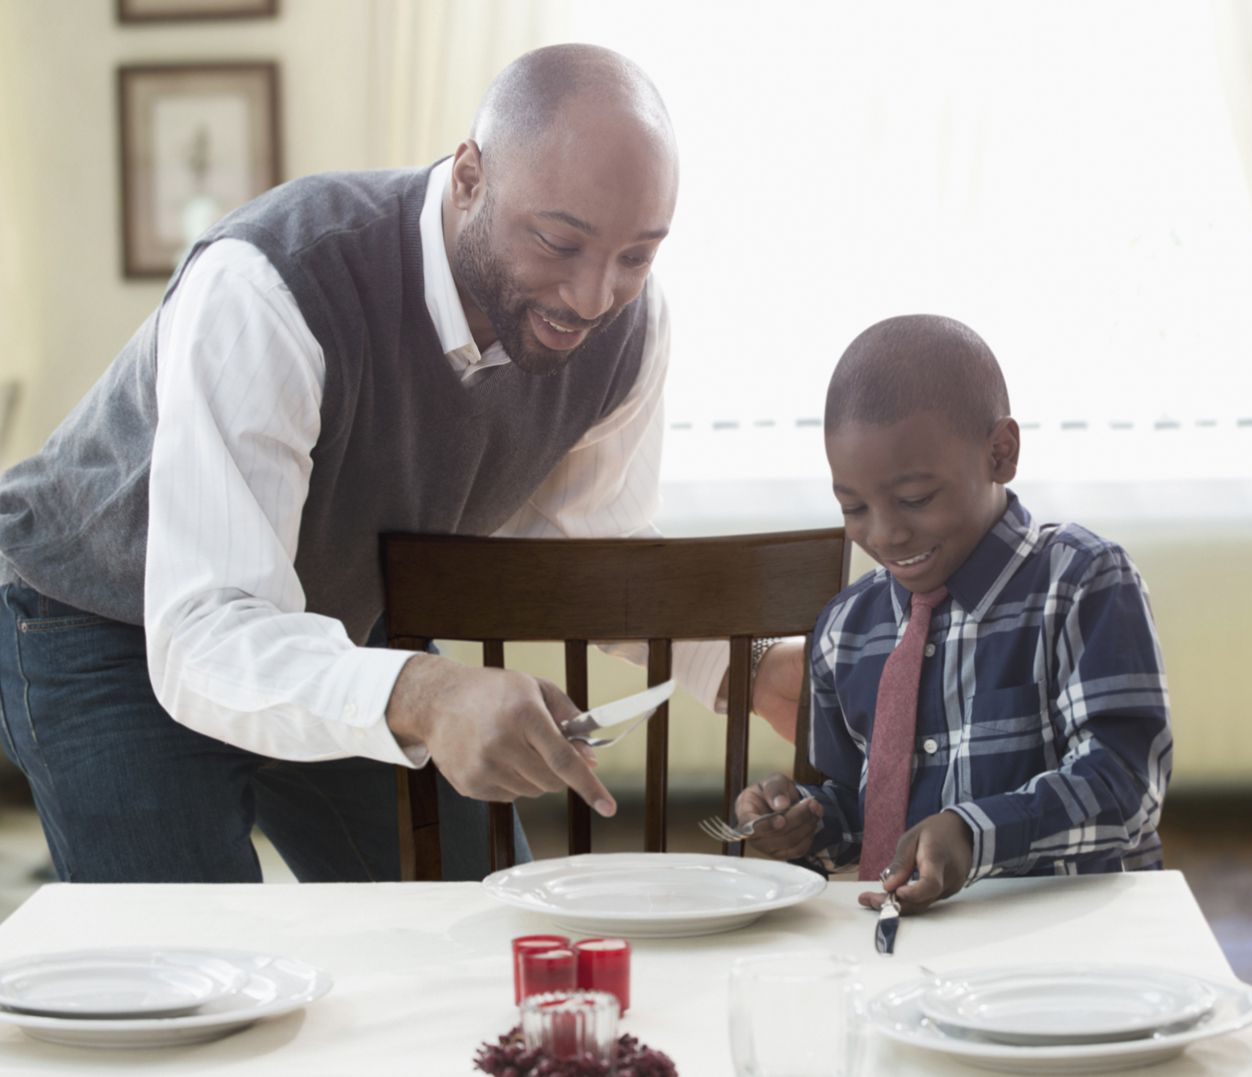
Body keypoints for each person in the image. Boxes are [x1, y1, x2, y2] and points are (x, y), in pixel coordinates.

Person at [0, 44, 798, 884]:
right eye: (560, 243)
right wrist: (423, 692)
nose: (593, 297)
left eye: (637, 256)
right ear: (468, 177)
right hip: (104, 619)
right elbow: (206, 628)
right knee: (198, 970)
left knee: (472, 918)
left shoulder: (627, 332)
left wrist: (748, 668)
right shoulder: (271, 287)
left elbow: (586, 546)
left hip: (328, 619)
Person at [734, 314, 1171, 914]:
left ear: (1000, 453)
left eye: (915, 499)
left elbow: (1125, 787)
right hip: (914, 946)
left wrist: (975, 832)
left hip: (1072, 944)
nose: (885, 535)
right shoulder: (845, 630)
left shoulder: (1081, 582)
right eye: (853, 506)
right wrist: (806, 822)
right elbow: (861, 810)